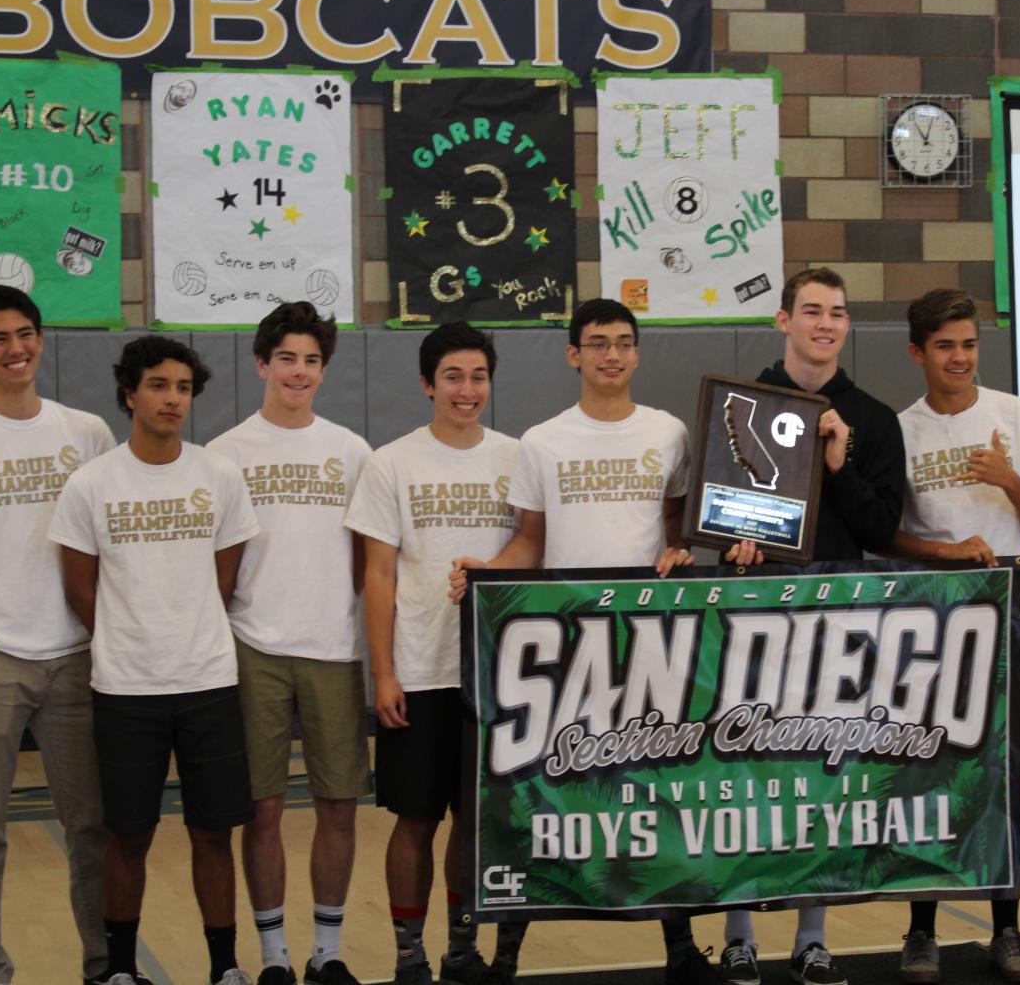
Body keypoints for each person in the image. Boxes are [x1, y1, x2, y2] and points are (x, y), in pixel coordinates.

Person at [448, 298, 711, 985]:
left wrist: (680, 552)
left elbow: (678, 530)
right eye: (597, 343)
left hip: (650, 644)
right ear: (574, 355)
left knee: (659, 798)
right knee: (543, 798)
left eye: (624, 342)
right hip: (567, 646)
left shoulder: (669, 433)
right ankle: (507, 955)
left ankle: (679, 946)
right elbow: (530, 543)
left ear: (637, 353)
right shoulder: (543, 441)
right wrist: (486, 571)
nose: (612, 355)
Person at [48, 335, 261, 985]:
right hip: (124, 689)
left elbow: (225, 578)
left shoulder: (218, 475)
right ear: (129, 394)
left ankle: (224, 968)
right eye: (160, 386)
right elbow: (81, 590)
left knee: (212, 834)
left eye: (184, 388)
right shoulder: (91, 485)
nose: (173, 399)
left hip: (207, 683)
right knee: (128, 835)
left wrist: (185, 630)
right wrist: (131, 637)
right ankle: (117, 970)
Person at [718, 268, 908, 985]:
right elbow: (721, 512)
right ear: (783, 320)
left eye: (836, 313)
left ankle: (812, 937)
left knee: (825, 782)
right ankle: (738, 934)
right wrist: (732, 542)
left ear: (847, 326)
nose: (824, 324)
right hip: (755, 616)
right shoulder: (742, 405)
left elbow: (884, 529)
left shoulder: (874, 419)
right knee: (743, 777)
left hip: (838, 619)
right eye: (811, 311)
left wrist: (838, 464)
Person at [343, 322, 518, 985]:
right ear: (427, 384)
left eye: (477, 376)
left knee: (475, 824)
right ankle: (409, 950)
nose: (466, 389)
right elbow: (378, 574)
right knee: (416, 819)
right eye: (452, 376)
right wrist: (383, 671)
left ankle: (461, 947)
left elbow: (532, 550)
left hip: (497, 675)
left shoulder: (516, 456)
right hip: (420, 669)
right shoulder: (391, 462)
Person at [888, 289, 1020, 983]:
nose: (960, 357)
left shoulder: (1015, 415)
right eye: (945, 346)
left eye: (969, 344)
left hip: (1012, 611)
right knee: (928, 774)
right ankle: (920, 931)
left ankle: (1008, 928)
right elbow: (887, 534)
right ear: (917, 352)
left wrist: (1006, 477)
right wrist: (944, 553)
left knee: (1003, 779)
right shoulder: (899, 430)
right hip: (933, 619)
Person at [207, 303, 372, 985]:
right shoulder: (226, 452)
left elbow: (368, 558)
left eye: (310, 360)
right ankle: (274, 955)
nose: (298, 372)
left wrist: (338, 610)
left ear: (323, 370)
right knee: (264, 807)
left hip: (333, 646)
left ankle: (326, 952)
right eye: (286, 359)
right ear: (262, 365)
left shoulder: (351, 451)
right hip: (254, 646)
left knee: (337, 804)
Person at [0, 286, 114, 985]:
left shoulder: (86, 431)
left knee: (91, 831)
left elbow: (110, 540)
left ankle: (104, 966)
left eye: (25, 334)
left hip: (74, 660)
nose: (16, 349)